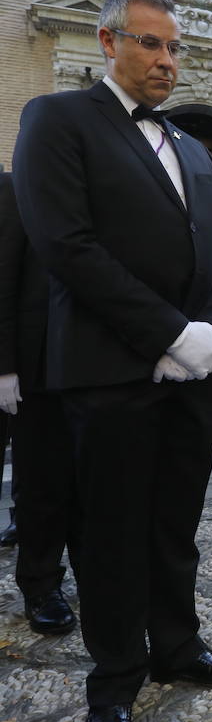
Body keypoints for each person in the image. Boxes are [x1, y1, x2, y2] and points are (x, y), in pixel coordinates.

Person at [13, 0, 212, 722]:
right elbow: (67, 246)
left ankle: (177, 644)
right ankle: (115, 679)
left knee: (174, 524)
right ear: (108, 42)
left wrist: (210, 331)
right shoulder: (58, 120)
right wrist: (167, 332)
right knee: (110, 534)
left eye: (174, 46)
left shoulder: (192, 148)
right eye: (149, 43)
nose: (165, 59)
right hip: (110, 371)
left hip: (194, 376)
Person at [0, 173, 81, 633]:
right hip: (24, 366)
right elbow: (3, 275)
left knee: (52, 481)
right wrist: (4, 365)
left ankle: (47, 578)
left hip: (74, 364)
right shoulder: (16, 190)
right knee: (38, 485)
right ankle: (39, 582)